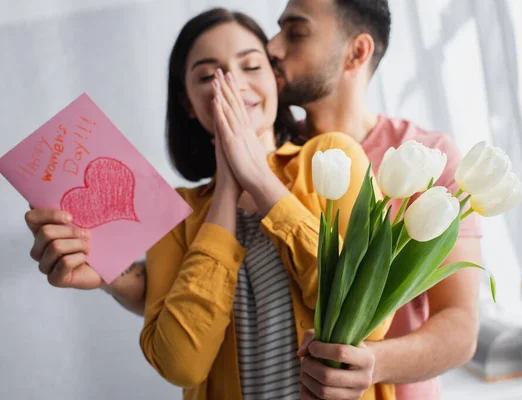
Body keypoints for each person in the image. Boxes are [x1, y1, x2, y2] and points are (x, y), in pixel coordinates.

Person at [23, 8, 396, 400]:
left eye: (252, 66)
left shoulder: (334, 157)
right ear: (188, 103)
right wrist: (226, 190)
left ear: (275, 80)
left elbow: (369, 317)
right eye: (207, 76)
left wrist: (257, 175)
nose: (231, 84)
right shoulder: (175, 214)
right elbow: (180, 363)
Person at [267, 0, 482, 399]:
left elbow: (460, 326)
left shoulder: (426, 157)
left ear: (358, 51)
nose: (272, 48)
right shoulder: (269, 159)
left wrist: (369, 363)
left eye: (295, 32)